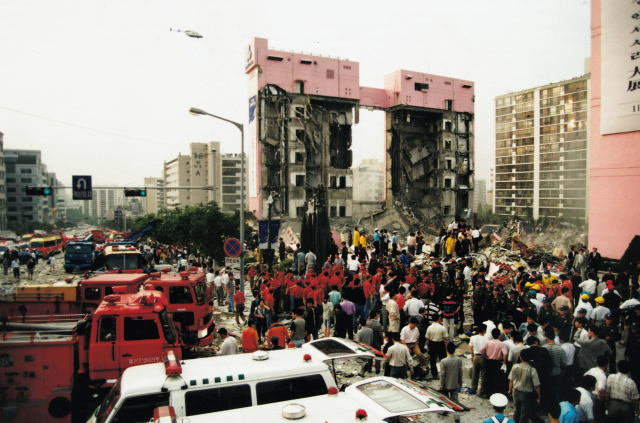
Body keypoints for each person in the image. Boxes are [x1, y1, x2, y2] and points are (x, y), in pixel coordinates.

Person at [508, 348, 540, 423]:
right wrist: (539, 396)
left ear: (520, 357)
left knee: (516, 410)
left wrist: (509, 390)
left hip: (516, 391)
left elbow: (511, 380)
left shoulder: (515, 367)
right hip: (526, 393)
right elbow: (536, 386)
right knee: (524, 412)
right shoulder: (532, 370)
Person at [480, 328, 509, 397]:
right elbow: (505, 353)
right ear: (499, 335)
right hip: (498, 362)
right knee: (498, 378)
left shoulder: (488, 342)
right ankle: (497, 393)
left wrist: (486, 356)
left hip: (489, 361)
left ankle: (489, 393)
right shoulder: (501, 344)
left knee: (489, 377)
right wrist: (504, 361)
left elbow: (481, 350)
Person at [439, 343, 463, 423]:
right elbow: (460, 372)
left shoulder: (443, 361)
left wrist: (441, 384)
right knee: (455, 400)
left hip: (446, 384)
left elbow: (442, 374)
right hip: (455, 383)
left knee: (445, 399)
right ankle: (457, 417)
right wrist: (460, 382)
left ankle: (444, 411)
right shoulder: (459, 360)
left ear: (447, 350)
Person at [426, 314, 448, 379]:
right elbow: (445, 338)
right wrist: (445, 346)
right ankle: (444, 372)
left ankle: (434, 374)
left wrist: (428, 346)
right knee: (443, 359)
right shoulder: (442, 327)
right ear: (438, 318)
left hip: (432, 344)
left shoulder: (429, 327)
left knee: (433, 359)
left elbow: (427, 338)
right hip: (440, 343)